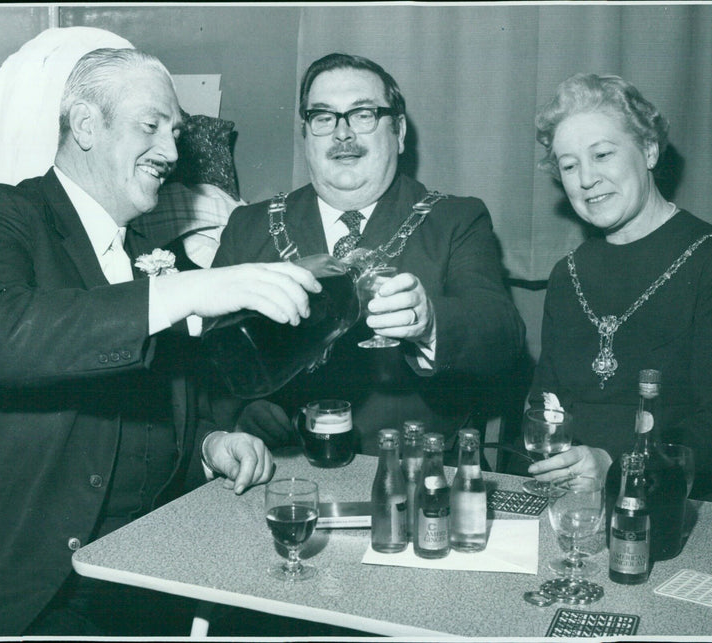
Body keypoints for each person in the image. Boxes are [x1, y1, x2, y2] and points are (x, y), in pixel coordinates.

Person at [0, 47, 323, 637]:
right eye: (151, 126)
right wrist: (186, 291)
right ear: (86, 125)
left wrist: (210, 444)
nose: (170, 152)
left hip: (151, 568)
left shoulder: (148, 256)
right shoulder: (3, 214)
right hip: (41, 587)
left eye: (175, 131)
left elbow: (161, 411)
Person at [209, 53, 525, 459]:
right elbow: (206, 364)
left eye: (362, 115)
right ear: (306, 133)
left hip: (413, 476)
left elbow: (503, 337)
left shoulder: (455, 219)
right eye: (323, 117)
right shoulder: (248, 226)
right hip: (277, 472)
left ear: (400, 131)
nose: (342, 134)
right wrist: (236, 420)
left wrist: (429, 323)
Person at [522, 73, 712, 505]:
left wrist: (619, 464)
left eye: (602, 154)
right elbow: (546, 402)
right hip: (576, 500)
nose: (586, 179)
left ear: (649, 151)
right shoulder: (567, 273)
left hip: (686, 502)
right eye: (569, 165)